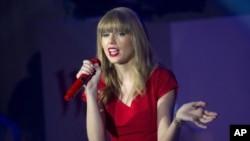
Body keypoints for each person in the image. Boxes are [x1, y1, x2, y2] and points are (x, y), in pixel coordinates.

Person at [77, 7, 218, 141]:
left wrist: (177, 120)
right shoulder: (100, 84)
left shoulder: (160, 78)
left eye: (121, 33)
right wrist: (90, 91)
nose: (111, 41)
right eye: (105, 35)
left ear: (136, 38)